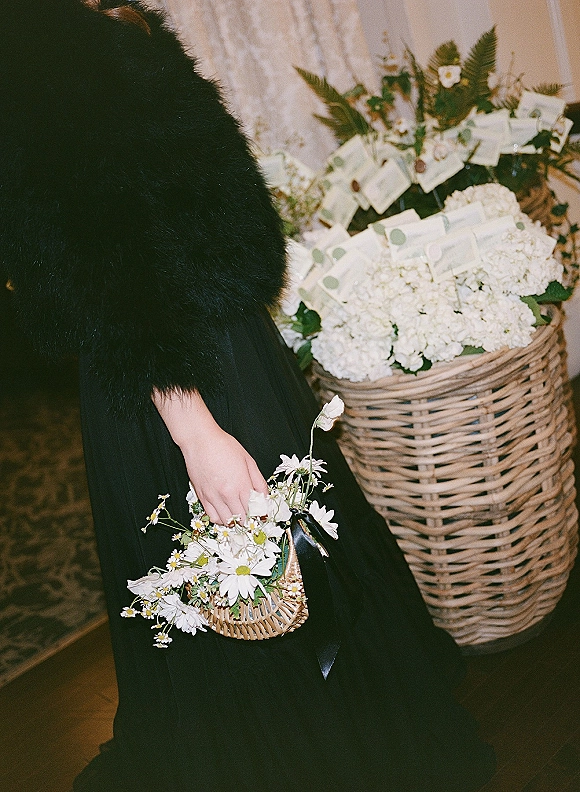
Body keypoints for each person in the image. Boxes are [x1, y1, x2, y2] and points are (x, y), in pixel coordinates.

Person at [0, 1, 496, 789]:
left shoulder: (107, 17)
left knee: (306, 564)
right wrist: (195, 433)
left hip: (221, 341)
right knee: (245, 585)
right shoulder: (31, 45)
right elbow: (101, 266)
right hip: (167, 370)